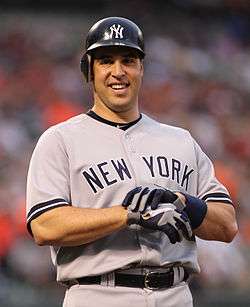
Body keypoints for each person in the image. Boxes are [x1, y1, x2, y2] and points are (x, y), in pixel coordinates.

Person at [26, 17, 238, 307]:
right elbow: (44, 225)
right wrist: (129, 214)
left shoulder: (180, 140)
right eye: (105, 61)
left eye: (128, 60)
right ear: (89, 70)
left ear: (141, 68)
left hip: (175, 294)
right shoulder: (60, 139)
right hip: (98, 294)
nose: (118, 71)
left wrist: (182, 202)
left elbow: (226, 224)